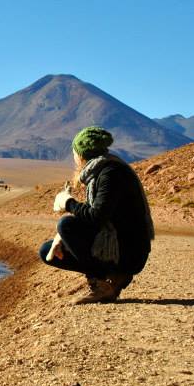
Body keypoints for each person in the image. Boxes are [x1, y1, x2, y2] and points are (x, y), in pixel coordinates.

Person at [39, 126, 155, 304]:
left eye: (74, 153)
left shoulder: (111, 173)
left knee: (66, 225)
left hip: (129, 252)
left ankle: (101, 284)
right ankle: (114, 277)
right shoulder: (102, 169)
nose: (74, 158)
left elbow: (96, 216)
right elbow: (98, 214)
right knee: (48, 250)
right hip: (118, 246)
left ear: (81, 153)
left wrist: (68, 203)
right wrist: (60, 237)